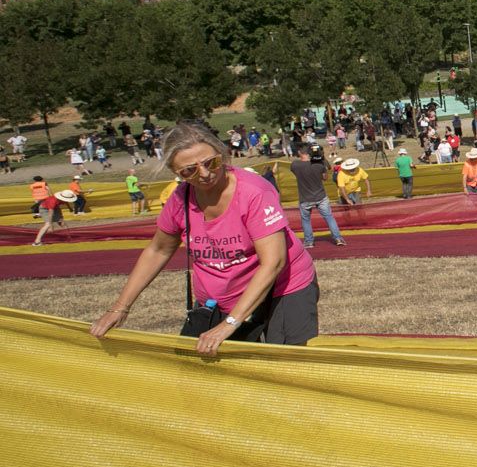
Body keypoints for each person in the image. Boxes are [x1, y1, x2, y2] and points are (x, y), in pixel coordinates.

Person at [90, 122, 320, 353]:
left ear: (221, 154)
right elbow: (158, 250)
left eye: (212, 162)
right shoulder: (179, 200)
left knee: (281, 362)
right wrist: (120, 307)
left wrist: (230, 323)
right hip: (222, 294)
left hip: (284, 287)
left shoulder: (254, 191)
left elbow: (274, 263)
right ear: (175, 172)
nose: (206, 174)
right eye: (189, 171)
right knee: (204, 365)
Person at [287, 146, 345, 248]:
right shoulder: (319, 164)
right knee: (329, 217)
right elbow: (325, 178)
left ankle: (309, 241)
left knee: (306, 220)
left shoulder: (295, 165)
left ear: (300, 152)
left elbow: (295, 170)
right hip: (320, 196)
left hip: (305, 198)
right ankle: (338, 238)